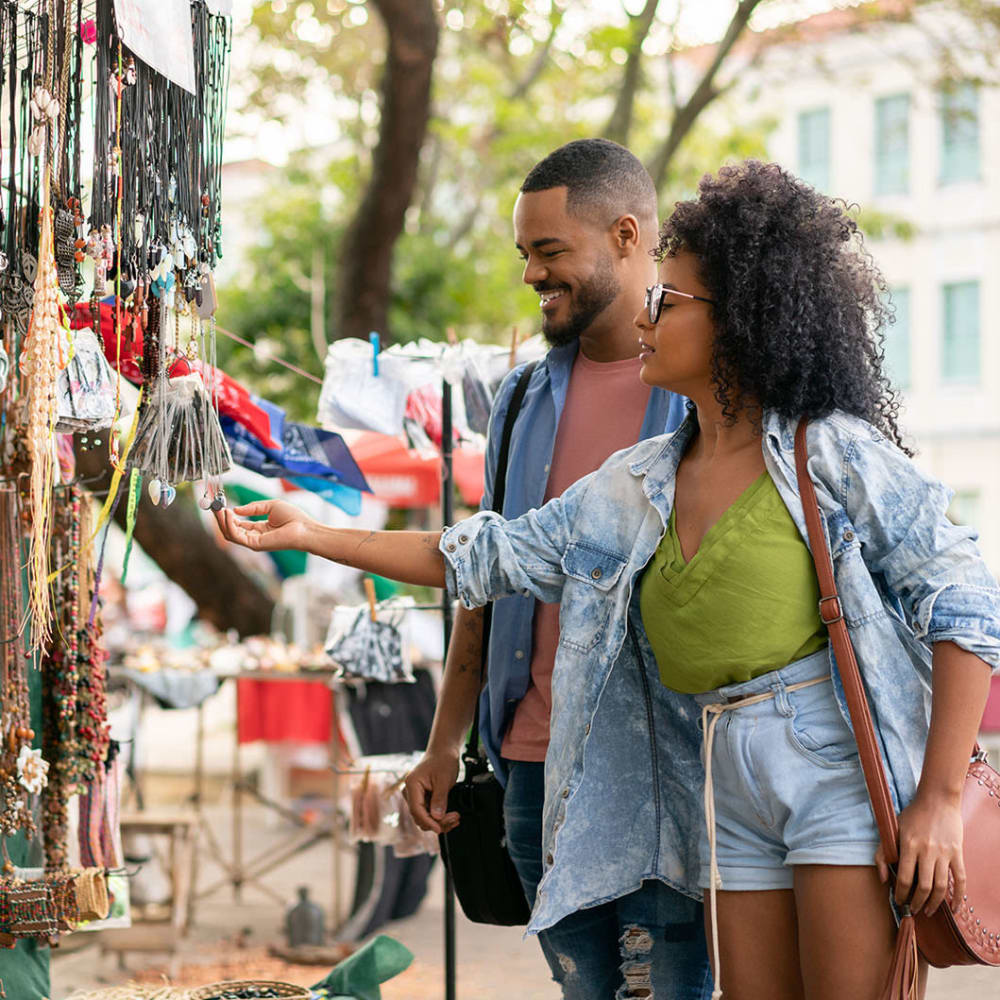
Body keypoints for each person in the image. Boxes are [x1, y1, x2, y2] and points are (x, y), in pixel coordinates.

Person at [216, 160, 1000, 1000]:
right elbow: (492, 555)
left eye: (670, 300)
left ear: (737, 320)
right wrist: (317, 535)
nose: (648, 316)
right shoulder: (642, 480)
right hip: (721, 772)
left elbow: (966, 606)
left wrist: (938, 800)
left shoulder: (826, 452)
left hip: (834, 765)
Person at [415, 137, 708, 998]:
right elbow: (486, 574)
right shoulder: (518, 398)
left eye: (549, 253)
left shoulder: (700, 388)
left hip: (661, 763)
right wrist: (446, 744)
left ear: (626, 235)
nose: (532, 276)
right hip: (530, 764)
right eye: (525, 256)